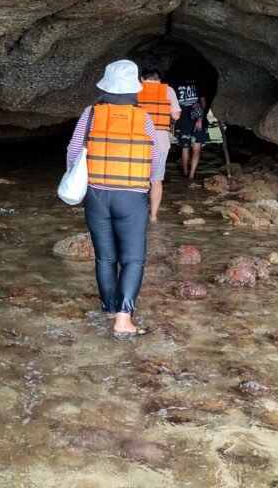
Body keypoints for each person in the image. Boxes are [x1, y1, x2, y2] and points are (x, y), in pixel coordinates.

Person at [66, 60, 161, 337]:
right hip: (131, 197)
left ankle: (108, 309)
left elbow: (74, 151)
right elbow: (154, 160)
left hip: (96, 195)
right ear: (134, 89)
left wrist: (82, 182)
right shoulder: (142, 117)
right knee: (132, 259)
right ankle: (123, 318)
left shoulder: (91, 113)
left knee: (105, 257)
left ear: (106, 86)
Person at [136, 68, 181, 223]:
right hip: (160, 141)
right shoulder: (168, 90)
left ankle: (135, 214)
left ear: (142, 78)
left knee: (135, 178)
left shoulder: (135, 89)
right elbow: (176, 115)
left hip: (136, 141)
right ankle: (153, 216)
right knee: (156, 180)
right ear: (159, 80)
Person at [174, 79, 207, 180]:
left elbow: (173, 106)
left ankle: (185, 172)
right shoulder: (198, 85)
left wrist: (173, 123)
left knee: (185, 148)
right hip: (198, 119)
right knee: (196, 149)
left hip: (183, 120)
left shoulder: (176, 86)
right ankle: (191, 175)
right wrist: (200, 119)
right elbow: (203, 102)